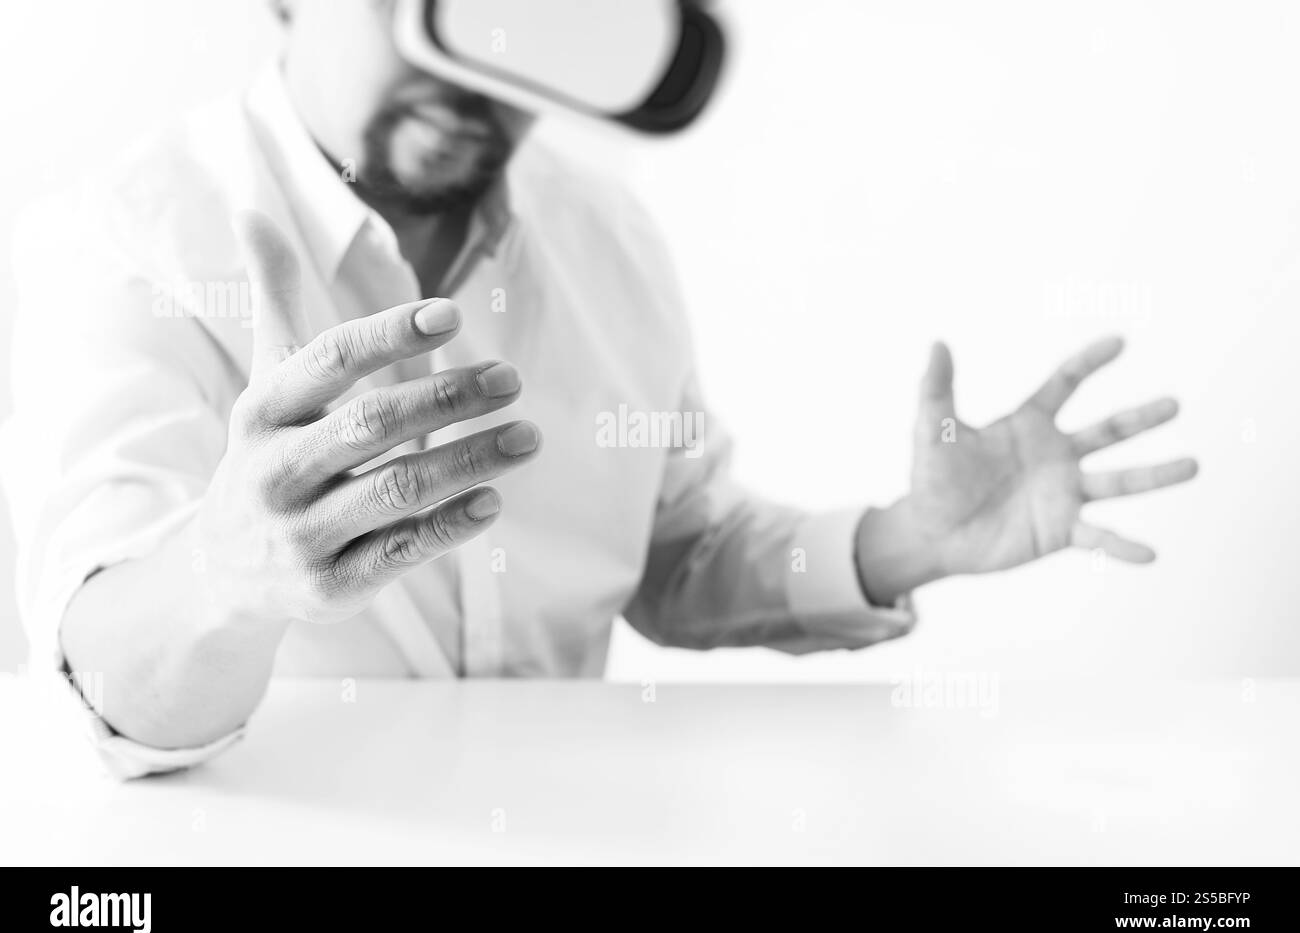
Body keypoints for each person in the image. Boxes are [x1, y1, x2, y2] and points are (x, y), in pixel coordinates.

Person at [0, 0, 1196, 778]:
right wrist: (223, 573)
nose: (483, 70)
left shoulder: (606, 237)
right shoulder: (126, 245)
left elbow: (677, 556)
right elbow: (101, 663)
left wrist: (895, 542)